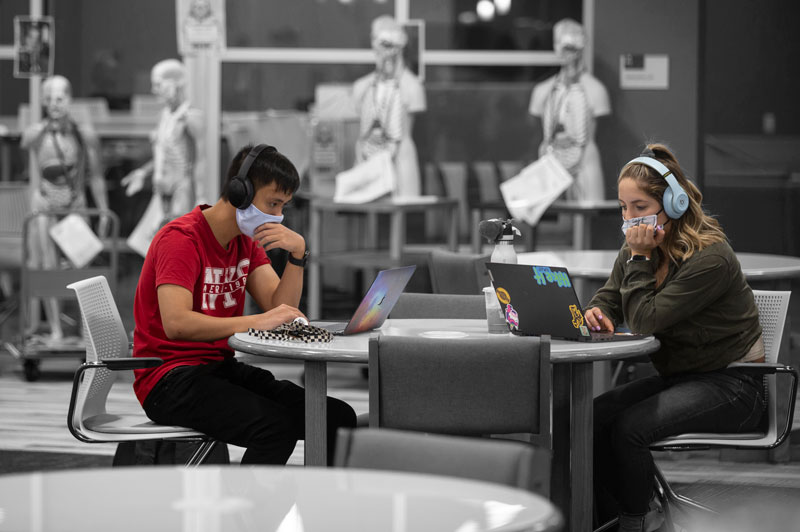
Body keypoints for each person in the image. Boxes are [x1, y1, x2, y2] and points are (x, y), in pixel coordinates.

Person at [132, 144, 356, 465]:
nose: (278, 216)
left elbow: (281, 310)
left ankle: (320, 494)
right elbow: (176, 323)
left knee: (335, 416)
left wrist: (298, 254)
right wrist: (254, 322)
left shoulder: (245, 242)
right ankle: (244, 500)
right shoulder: (181, 239)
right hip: (168, 379)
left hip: (217, 369)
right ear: (240, 192)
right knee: (275, 429)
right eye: (273, 203)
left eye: (283, 206)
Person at [585, 143, 766, 532]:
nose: (629, 218)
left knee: (629, 429)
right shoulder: (639, 246)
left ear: (674, 203)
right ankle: (611, 516)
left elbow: (645, 319)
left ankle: (639, 522)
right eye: (623, 207)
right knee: (593, 418)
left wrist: (638, 258)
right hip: (682, 378)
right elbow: (611, 297)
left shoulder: (711, 258)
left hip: (734, 385)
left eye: (639, 207)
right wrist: (598, 311)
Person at [21, 75, 109, 342]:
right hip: (45, 206)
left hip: (75, 205)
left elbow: (96, 176)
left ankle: (86, 330)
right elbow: (25, 141)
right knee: (48, 267)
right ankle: (56, 330)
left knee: (83, 267)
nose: (54, 104)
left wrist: (103, 211)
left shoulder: (83, 135)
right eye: (48, 99)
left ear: (69, 100)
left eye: (59, 98)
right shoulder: (37, 134)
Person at [122, 58, 204, 256]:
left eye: (158, 85)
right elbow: (163, 153)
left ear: (176, 84)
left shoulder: (191, 117)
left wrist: (201, 196)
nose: (154, 90)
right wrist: (143, 172)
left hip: (181, 189)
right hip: (161, 191)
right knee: (156, 248)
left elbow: (201, 159)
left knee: (178, 246)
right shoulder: (164, 116)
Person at [529, 18, 610, 201]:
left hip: (584, 157)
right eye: (562, 45)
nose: (567, 53)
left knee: (590, 206)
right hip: (550, 156)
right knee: (547, 209)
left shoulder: (595, 90)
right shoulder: (543, 91)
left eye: (572, 47)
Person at [353, 15, 426, 198]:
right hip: (367, 157)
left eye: (388, 44)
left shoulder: (412, 87)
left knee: (402, 206)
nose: (384, 52)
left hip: (401, 160)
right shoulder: (362, 87)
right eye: (379, 44)